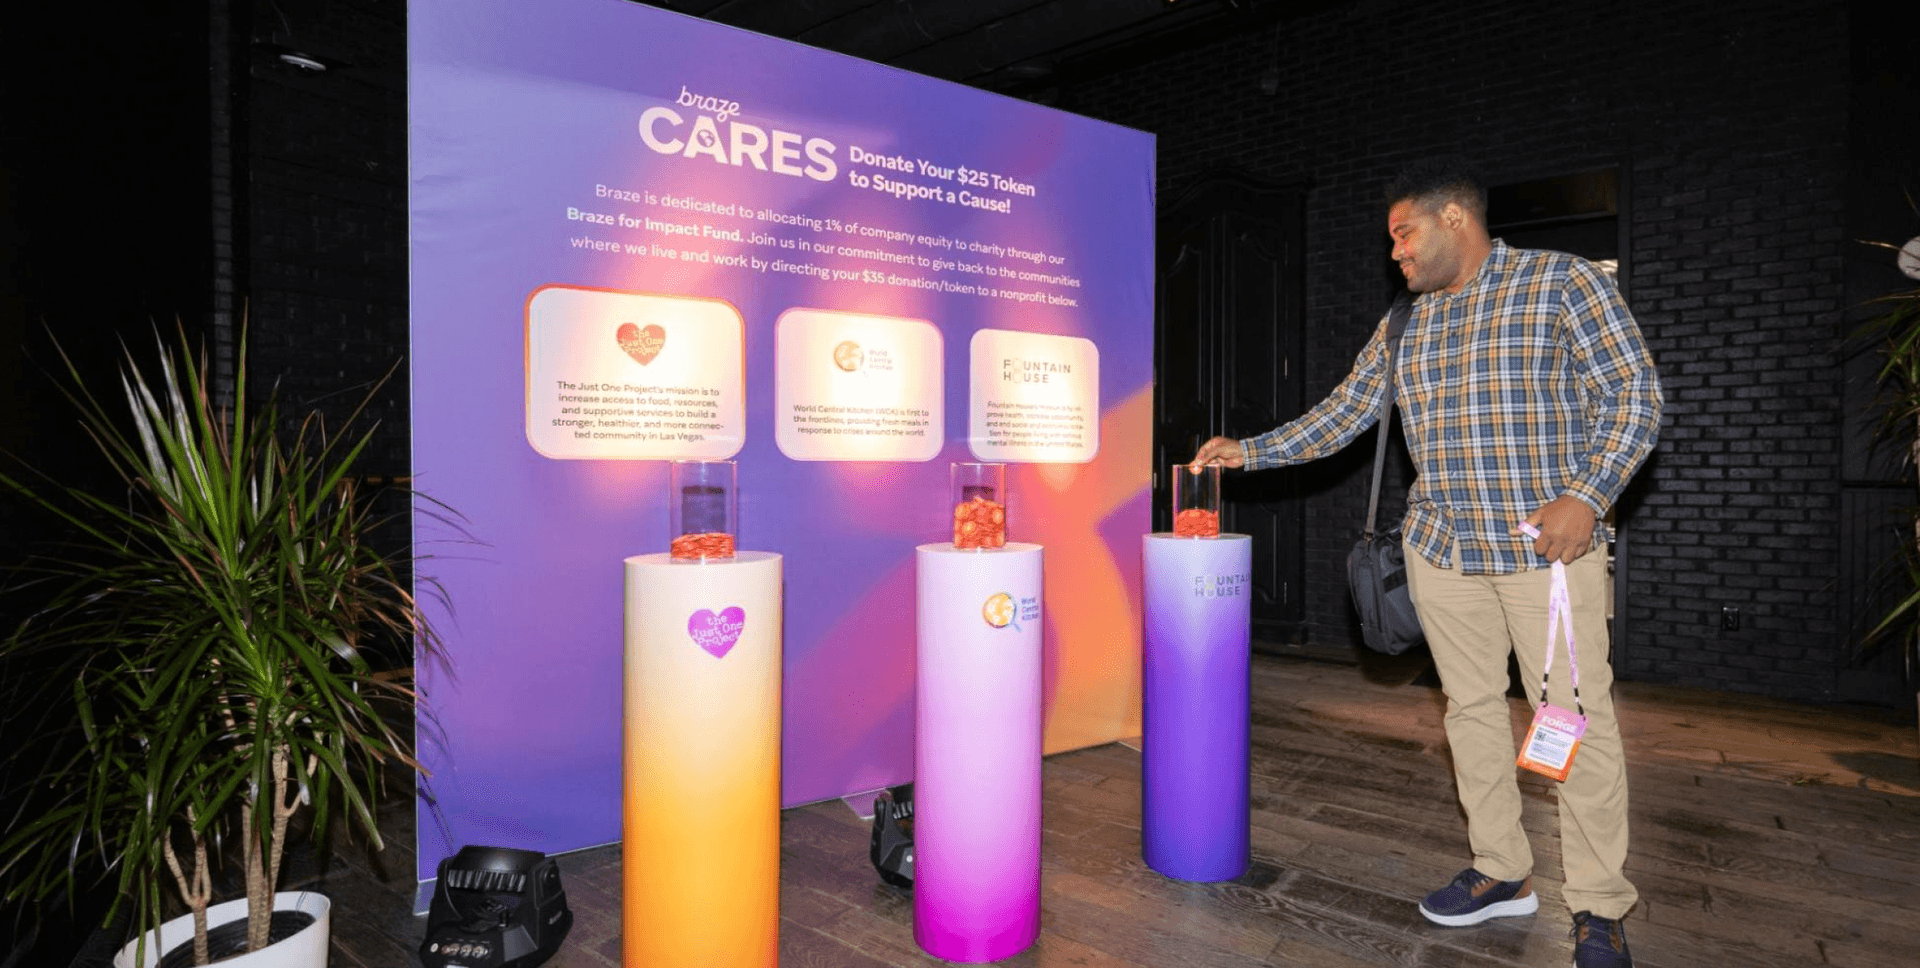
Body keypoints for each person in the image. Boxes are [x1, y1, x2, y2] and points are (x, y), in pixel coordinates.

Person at [1190, 157, 1661, 968]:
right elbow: (1345, 413)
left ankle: (1596, 904)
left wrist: (1587, 496)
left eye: (1404, 235)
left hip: (1545, 554)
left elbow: (1634, 395)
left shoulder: (1562, 283)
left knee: (1572, 724)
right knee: (1470, 712)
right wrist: (1251, 451)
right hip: (1440, 553)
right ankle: (1501, 869)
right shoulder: (1404, 323)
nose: (1396, 254)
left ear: (1454, 220)